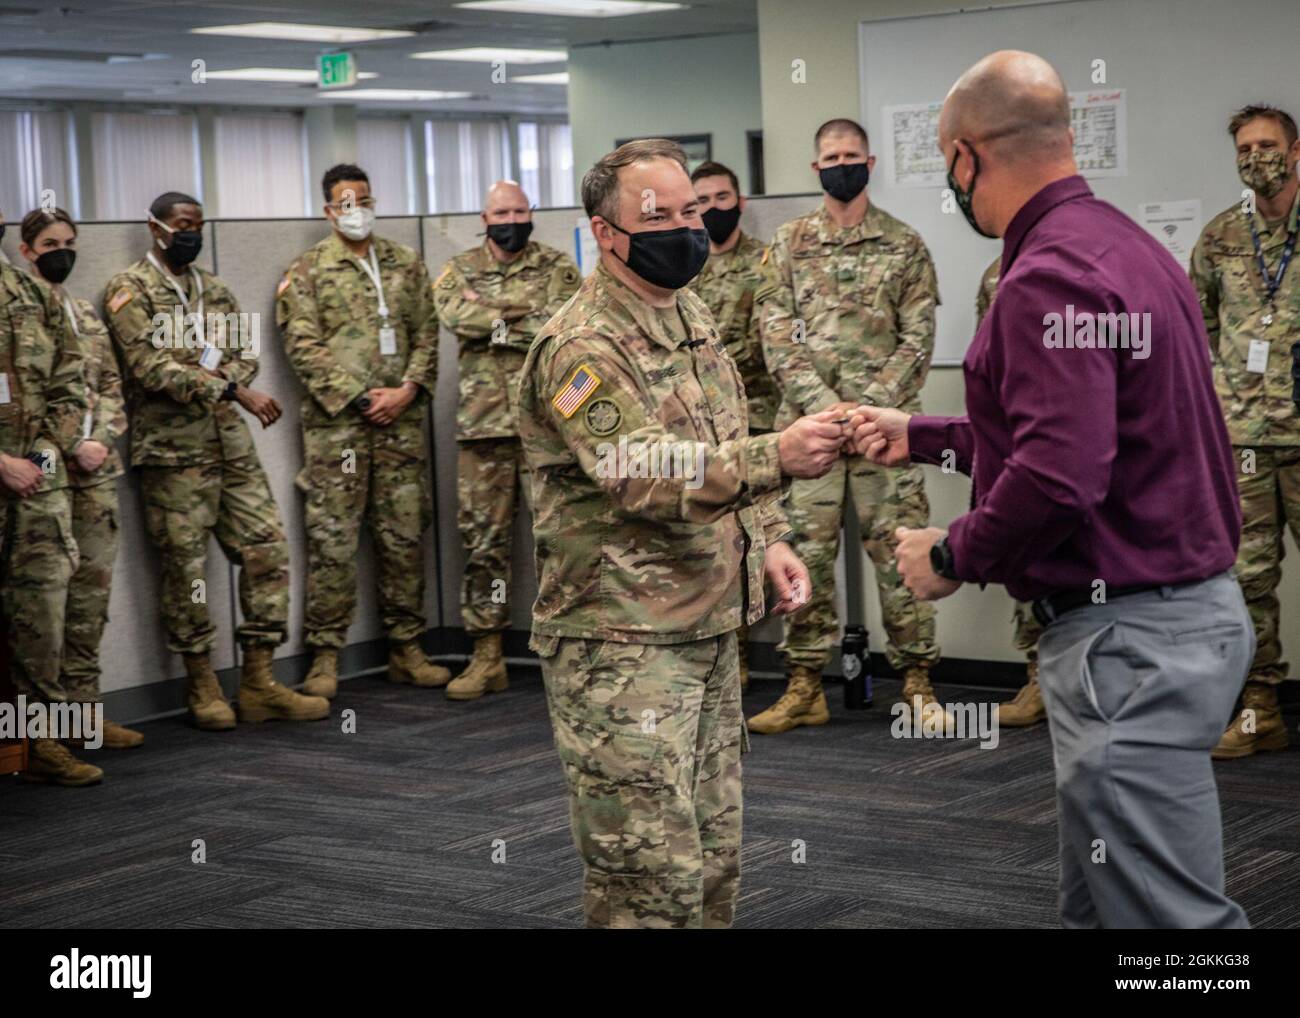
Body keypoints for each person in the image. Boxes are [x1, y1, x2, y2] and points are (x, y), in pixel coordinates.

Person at [853, 51, 1251, 928]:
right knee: (1105, 907)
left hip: (1128, 643)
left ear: (963, 157)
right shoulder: (1129, 251)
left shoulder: (1043, 280)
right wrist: (918, 435)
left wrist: (954, 553)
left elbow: (1061, 475)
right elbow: (1084, 437)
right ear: (1066, 138)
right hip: (1177, 620)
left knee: (1174, 933)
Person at [517, 138, 859, 928]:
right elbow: (640, 469)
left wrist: (768, 537)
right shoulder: (582, 343)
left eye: (690, 210)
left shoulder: (690, 310)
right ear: (606, 233)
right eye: (658, 215)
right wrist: (779, 457)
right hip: (622, 646)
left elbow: (719, 429)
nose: (684, 227)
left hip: (707, 626)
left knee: (712, 862)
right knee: (647, 879)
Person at [749, 117, 942, 735]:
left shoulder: (905, 245)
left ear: (870, 162)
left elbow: (918, 341)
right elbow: (776, 338)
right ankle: (805, 684)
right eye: (830, 155)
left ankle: (917, 682)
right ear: (815, 168)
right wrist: (828, 413)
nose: (841, 163)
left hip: (885, 436)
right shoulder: (786, 244)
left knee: (903, 553)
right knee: (802, 557)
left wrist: (868, 413)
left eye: (851, 154)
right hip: (810, 439)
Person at [104, 192, 326, 729]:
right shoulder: (130, 291)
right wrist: (226, 386)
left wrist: (222, 382)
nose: (192, 232)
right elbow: (150, 369)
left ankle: (258, 680)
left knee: (267, 550)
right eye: (183, 224)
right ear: (154, 226)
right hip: (173, 455)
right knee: (186, 570)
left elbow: (244, 357)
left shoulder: (216, 289)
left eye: (199, 224)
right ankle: (201, 683)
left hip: (230, 447)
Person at [276, 164, 445, 699]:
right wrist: (359, 395)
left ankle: (407, 648)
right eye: (346, 203)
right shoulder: (306, 271)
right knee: (333, 541)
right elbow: (301, 343)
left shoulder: (406, 264)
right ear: (329, 212)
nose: (357, 211)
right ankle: (325, 655)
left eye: (364, 200)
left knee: (403, 536)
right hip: (339, 433)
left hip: (401, 423)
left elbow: (427, 333)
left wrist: (408, 388)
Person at [433, 180, 580, 701]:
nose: (511, 219)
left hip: (546, 428)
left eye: (520, 210)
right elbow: (454, 315)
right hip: (483, 428)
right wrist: (521, 314)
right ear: (484, 216)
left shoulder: (558, 265)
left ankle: (567, 651)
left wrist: (492, 313)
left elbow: (561, 328)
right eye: (502, 211)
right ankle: (487, 654)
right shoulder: (459, 269)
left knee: (560, 540)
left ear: (531, 213)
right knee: (483, 544)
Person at [1190, 104, 1300, 760]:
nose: (1256, 156)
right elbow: (1198, 325)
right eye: (1245, 148)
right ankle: (1261, 709)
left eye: (1267, 145)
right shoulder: (1221, 237)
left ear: (1295, 151)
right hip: (1247, 443)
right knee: (1248, 580)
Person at [19, 207, 143, 750]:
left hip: (98, 469)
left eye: (69, 241)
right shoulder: (19, 310)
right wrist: (70, 444)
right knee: (49, 599)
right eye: (50, 243)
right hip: (47, 470)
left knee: (91, 598)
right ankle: (46, 730)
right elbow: (29, 396)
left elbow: (113, 387)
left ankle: (85, 717)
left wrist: (101, 440)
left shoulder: (87, 315)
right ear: (26, 251)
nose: (62, 251)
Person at [1, 208, 96, 784]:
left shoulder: (31, 294)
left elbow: (69, 385)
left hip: (37, 483)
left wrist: (39, 455)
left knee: (42, 614)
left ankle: (42, 742)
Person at [688, 160, 780, 690]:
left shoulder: (765, 264)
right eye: (702, 201)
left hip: (754, 424)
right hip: (694, 434)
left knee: (753, 542)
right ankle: (730, 660)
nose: (713, 209)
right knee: (711, 545)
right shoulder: (684, 265)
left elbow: (760, 345)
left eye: (723, 198)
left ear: (740, 202)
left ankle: (753, 658)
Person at [974, 256, 1046, 728]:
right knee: (1031, 553)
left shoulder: (1093, 265)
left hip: (1081, 435)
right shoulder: (995, 276)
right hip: (1018, 429)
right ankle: (1040, 676)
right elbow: (990, 356)